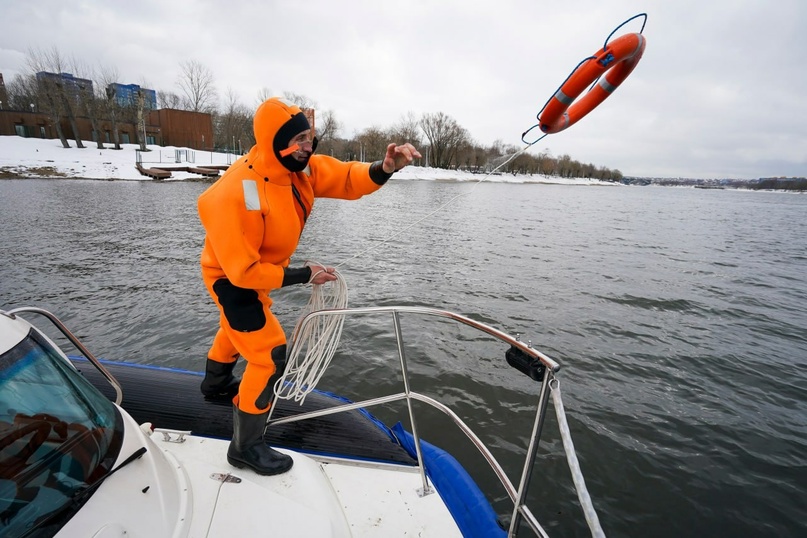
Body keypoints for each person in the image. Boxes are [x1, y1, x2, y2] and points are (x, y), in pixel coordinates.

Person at [197, 97, 420, 476]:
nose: (307, 147)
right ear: (274, 140)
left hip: (260, 271)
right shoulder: (231, 194)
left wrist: (384, 169)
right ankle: (245, 446)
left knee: (236, 328)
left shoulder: (299, 169)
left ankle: (215, 383)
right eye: (299, 138)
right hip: (231, 279)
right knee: (269, 356)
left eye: (310, 137)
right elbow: (244, 273)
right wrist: (305, 274)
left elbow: (347, 178)